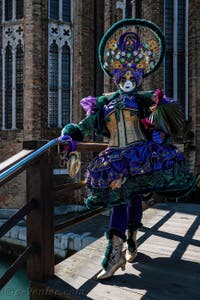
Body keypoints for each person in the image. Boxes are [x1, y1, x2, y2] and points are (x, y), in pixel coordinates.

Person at [59, 19, 195, 280]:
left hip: (140, 155)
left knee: (130, 197)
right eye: (124, 76)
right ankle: (118, 250)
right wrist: (69, 134)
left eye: (134, 76)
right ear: (116, 77)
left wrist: (159, 115)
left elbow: (165, 119)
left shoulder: (144, 99)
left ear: (139, 76)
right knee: (121, 198)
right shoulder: (104, 104)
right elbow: (85, 125)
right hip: (113, 159)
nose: (129, 79)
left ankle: (126, 242)